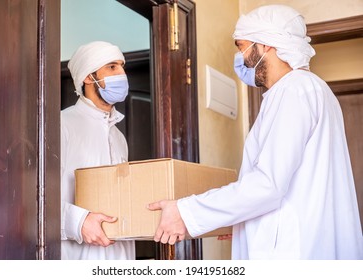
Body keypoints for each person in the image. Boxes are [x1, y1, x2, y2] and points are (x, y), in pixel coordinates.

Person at [148, 5, 363, 259]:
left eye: (241, 46)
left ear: (266, 45)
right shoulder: (312, 90)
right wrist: (241, 221)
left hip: (294, 253)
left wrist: (186, 212)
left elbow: (267, 185)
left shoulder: (293, 90)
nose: (241, 58)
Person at [61, 41, 135, 260]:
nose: (122, 74)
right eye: (112, 67)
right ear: (87, 76)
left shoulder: (118, 137)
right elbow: (34, 199)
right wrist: (79, 221)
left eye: (122, 67)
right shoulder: (60, 124)